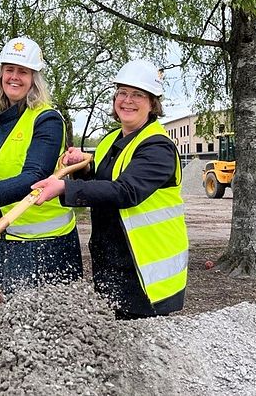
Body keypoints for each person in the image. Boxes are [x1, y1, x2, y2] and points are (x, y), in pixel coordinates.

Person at [32, 59, 189, 320]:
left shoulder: (158, 147)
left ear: (152, 104)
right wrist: (80, 168)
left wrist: (64, 188)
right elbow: (101, 181)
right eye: (122, 93)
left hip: (145, 271)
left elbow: (125, 192)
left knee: (143, 349)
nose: (128, 100)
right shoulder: (111, 140)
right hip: (113, 260)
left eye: (138, 95)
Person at [0, 36, 83, 299]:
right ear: (1, 73)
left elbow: (35, 175)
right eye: (9, 70)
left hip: (46, 243)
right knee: (9, 317)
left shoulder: (47, 119)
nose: (14, 77)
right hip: (3, 237)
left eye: (23, 71)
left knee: (49, 324)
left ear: (34, 78)